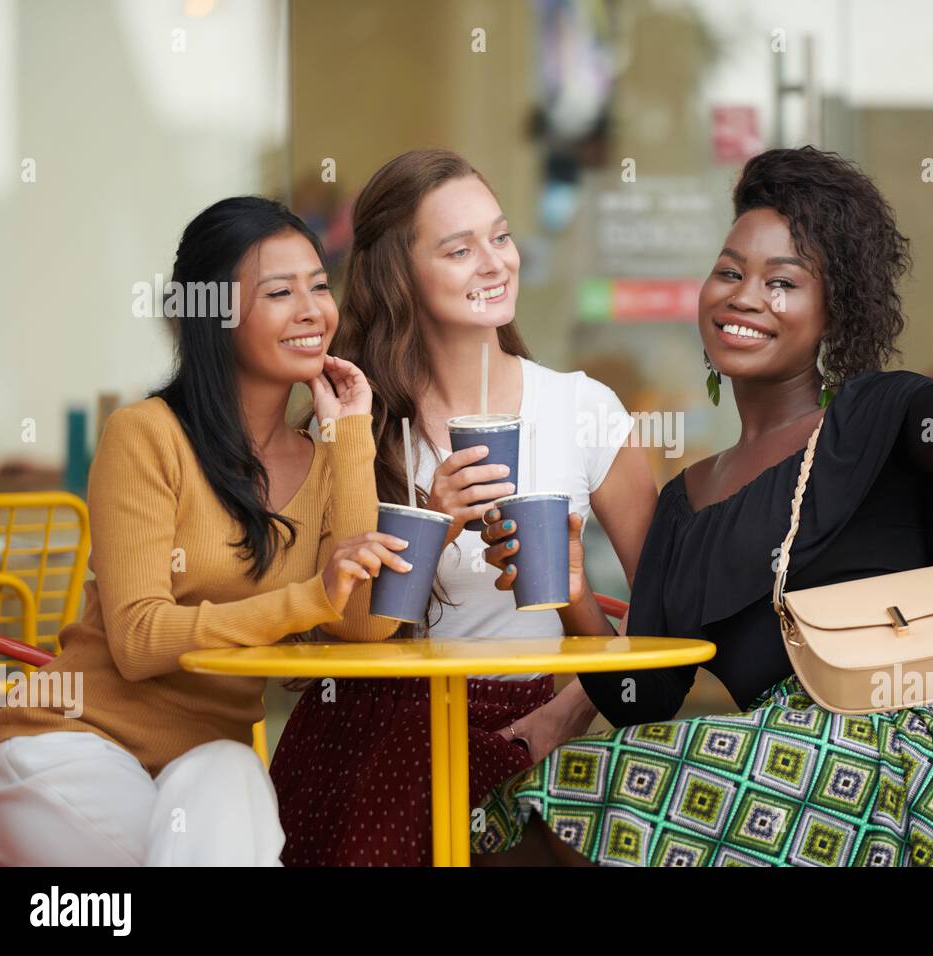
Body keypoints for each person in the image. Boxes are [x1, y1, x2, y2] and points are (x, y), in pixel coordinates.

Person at [472, 146, 933, 867]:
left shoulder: (874, 418)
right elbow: (642, 698)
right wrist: (569, 591)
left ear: (832, 310)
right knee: (528, 806)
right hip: (777, 774)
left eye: (783, 282)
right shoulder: (682, 506)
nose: (745, 297)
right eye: (729, 272)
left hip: (910, 753)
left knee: (573, 792)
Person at [0, 197, 407, 866]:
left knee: (233, 776)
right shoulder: (146, 436)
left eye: (319, 285)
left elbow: (361, 625)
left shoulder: (326, 456)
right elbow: (141, 640)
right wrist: (308, 599)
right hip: (70, 747)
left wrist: (350, 436)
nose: (311, 310)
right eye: (278, 292)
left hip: (207, 767)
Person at [270, 149, 657, 866]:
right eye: (458, 248)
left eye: (500, 237)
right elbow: (337, 639)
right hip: (382, 726)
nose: (493, 262)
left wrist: (570, 708)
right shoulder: (355, 422)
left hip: (534, 720)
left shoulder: (582, 409)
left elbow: (666, 617)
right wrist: (431, 518)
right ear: (401, 276)